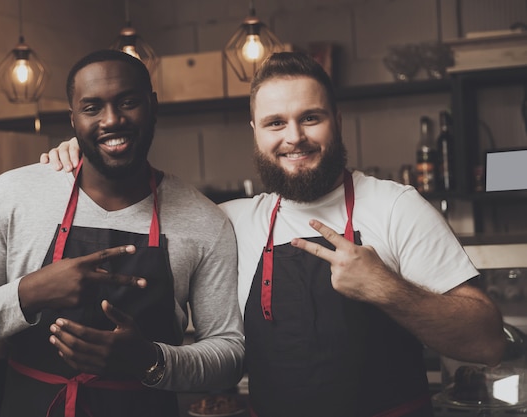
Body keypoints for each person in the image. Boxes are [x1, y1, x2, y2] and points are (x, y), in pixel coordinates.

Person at [41, 51, 506, 417]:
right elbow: (131, 193)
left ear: (337, 121)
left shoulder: (396, 207)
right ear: (256, 133)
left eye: (310, 117)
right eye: (275, 123)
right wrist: (83, 151)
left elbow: (487, 343)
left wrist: (385, 288)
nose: (294, 137)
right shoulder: (231, 221)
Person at [0, 49, 244, 417]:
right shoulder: (13, 194)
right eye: (92, 107)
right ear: (73, 119)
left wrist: (150, 359)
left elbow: (230, 353)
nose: (112, 120)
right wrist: (31, 292)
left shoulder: (205, 219)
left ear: (153, 105)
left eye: (128, 102)